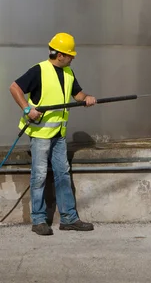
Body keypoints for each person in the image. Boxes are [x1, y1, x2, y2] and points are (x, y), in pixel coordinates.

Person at [9, 32, 97, 236]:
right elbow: (14, 88)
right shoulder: (39, 70)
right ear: (60, 55)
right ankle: (39, 220)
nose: (72, 58)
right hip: (40, 133)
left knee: (63, 173)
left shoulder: (68, 73)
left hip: (58, 133)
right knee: (39, 175)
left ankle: (68, 219)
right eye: (70, 55)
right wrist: (26, 109)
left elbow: (78, 94)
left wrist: (87, 98)